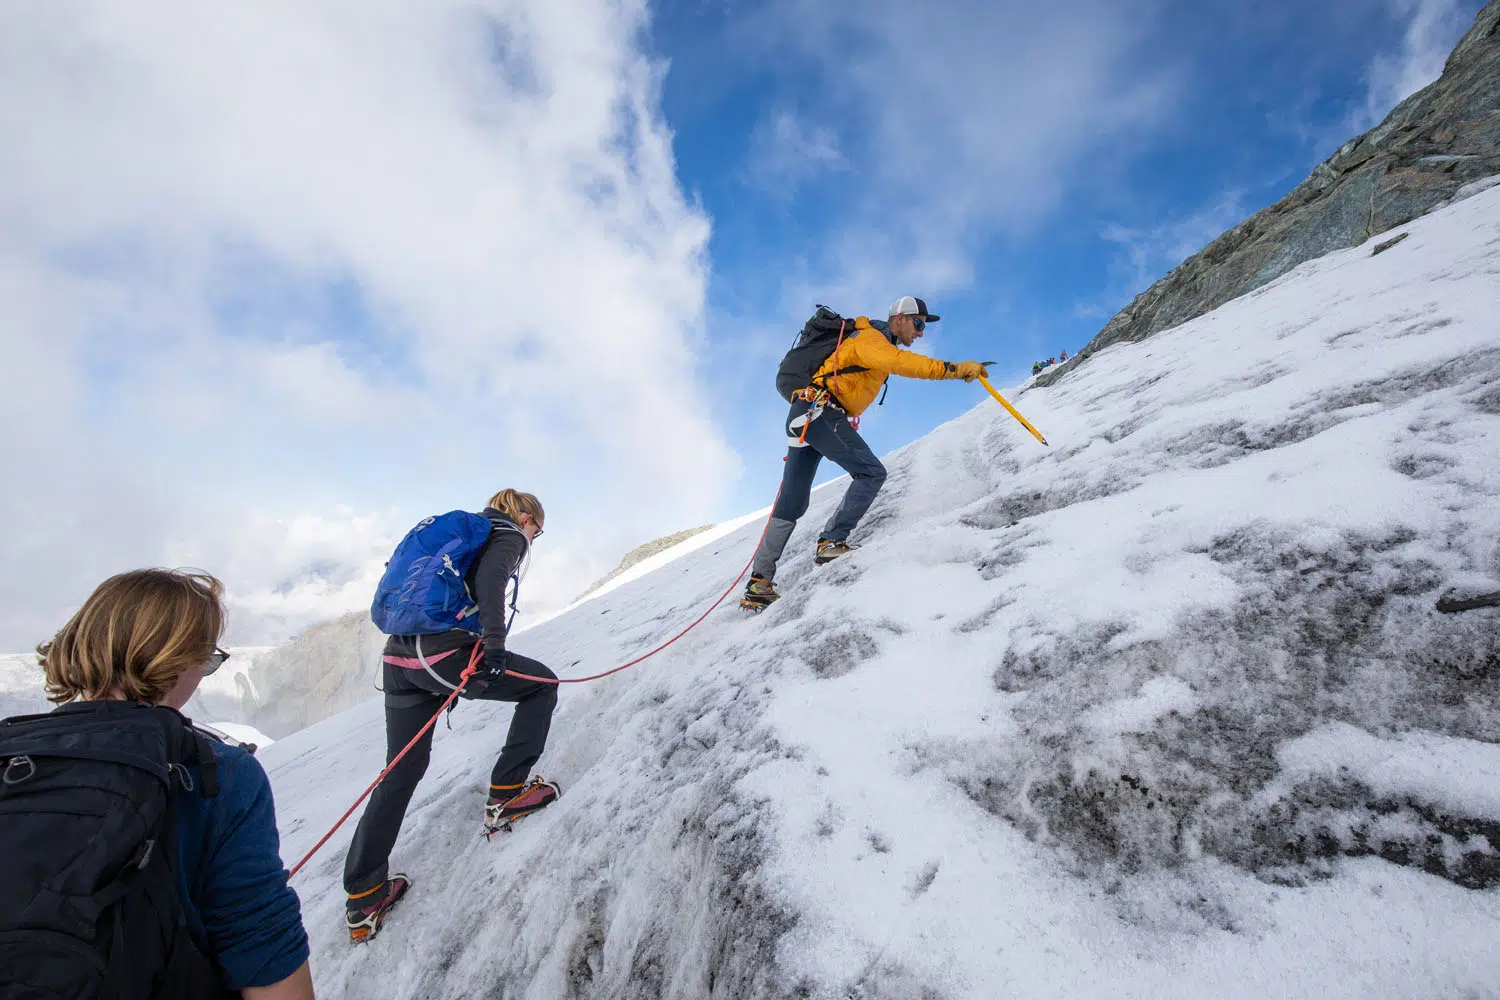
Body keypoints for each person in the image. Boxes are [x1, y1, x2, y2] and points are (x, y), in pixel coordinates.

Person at [3, 569, 314, 999]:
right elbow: (264, 956)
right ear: (176, 659)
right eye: (207, 658)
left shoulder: (10, 756)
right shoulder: (220, 775)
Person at [342, 488, 559, 942]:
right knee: (541, 687)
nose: (535, 537)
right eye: (538, 528)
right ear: (524, 517)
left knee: (401, 769)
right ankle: (506, 796)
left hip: (398, 658)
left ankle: (364, 897)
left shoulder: (459, 534)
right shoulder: (506, 534)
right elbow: (491, 582)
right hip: (442, 654)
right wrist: (496, 647)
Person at [743, 296, 988, 609]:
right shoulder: (873, 339)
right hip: (820, 412)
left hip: (806, 413)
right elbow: (904, 364)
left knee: (792, 502)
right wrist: (955, 369)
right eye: (918, 323)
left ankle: (759, 583)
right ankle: (831, 541)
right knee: (871, 472)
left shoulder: (870, 338)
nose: (921, 332)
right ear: (898, 318)